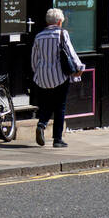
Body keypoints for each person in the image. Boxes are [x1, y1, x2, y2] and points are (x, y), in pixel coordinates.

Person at [30, 8, 84, 148]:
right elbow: (70, 52)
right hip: (59, 76)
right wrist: (80, 67)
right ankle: (57, 139)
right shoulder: (62, 33)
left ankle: (41, 125)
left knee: (47, 103)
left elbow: (34, 60)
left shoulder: (39, 36)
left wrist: (39, 73)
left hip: (42, 77)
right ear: (59, 22)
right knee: (60, 106)